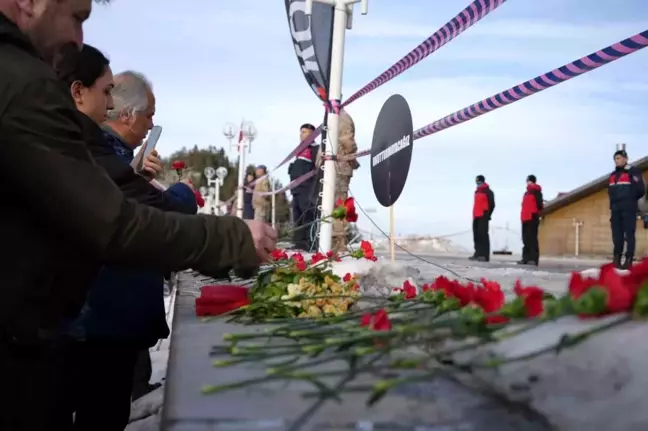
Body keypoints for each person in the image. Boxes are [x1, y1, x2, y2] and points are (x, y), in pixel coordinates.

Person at [0, 3, 276, 430]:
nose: (78, 37)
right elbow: (114, 222)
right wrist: (233, 238)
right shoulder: (23, 85)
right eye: (76, 15)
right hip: (37, 343)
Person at [608, 149, 645, 269]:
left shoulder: (633, 172)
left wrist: (629, 200)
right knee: (617, 235)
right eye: (615, 159)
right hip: (615, 209)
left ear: (625, 159)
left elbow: (640, 190)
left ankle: (628, 259)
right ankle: (617, 258)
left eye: (619, 158)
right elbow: (610, 192)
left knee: (629, 234)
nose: (617, 161)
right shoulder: (613, 175)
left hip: (628, 208)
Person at [331, 110, 360, 252]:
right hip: (332, 168)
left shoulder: (341, 118)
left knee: (339, 206)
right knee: (332, 206)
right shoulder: (333, 116)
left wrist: (351, 156)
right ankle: (333, 241)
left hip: (338, 168)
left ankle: (338, 244)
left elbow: (347, 141)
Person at [288, 123, 319, 250]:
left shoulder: (316, 148)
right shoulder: (299, 150)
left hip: (308, 188)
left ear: (312, 134)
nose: (302, 135)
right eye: (301, 132)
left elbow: (318, 167)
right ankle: (298, 244)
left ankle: (310, 243)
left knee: (308, 215)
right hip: (296, 189)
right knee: (297, 216)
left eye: (305, 132)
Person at [518, 175, 543, 266]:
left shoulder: (536, 192)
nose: (527, 182)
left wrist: (536, 214)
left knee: (532, 238)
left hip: (532, 217)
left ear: (532, 181)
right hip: (525, 217)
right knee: (525, 239)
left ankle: (533, 259)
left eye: (528, 181)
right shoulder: (526, 193)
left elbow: (539, 205)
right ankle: (526, 258)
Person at [470, 175, 495, 262]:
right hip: (476, 215)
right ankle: (477, 253)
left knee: (483, 235)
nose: (478, 183)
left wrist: (488, 214)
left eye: (479, 181)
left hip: (483, 215)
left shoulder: (488, 192)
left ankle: (484, 255)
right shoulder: (476, 192)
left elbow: (492, 204)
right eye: (477, 181)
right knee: (476, 235)